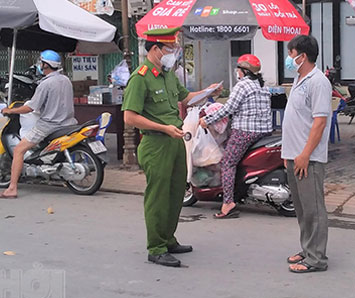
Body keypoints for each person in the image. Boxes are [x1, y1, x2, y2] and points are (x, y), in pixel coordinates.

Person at [122, 27, 222, 267]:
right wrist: (162, 127)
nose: (174, 53)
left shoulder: (168, 75)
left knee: (177, 192)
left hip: (176, 140)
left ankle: (168, 239)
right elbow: (129, 117)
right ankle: (156, 247)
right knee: (158, 196)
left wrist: (209, 92)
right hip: (156, 143)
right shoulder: (140, 77)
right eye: (170, 49)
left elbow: (186, 98)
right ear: (155, 50)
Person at [282, 35, 332, 273]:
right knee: (302, 208)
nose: (289, 59)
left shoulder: (318, 82)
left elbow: (319, 122)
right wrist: (288, 152)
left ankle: (316, 259)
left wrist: (304, 154)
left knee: (313, 208)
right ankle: (308, 248)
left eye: (291, 54)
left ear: (302, 56)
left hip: (308, 157)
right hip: (294, 154)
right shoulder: (299, 79)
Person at [199, 54, 272, 219]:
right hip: (263, 130)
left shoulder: (242, 85)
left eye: (238, 69)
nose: (236, 72)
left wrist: (207, 120)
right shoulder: (262, 85)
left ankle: (228, 203)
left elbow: (227, 109)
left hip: (245, 132)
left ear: (244, 71)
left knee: (228, 163)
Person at [0, 50, 76, 199]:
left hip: (49, 125)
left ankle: (12, 188)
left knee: (19, 150)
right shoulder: (66, 80)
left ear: (46, 65)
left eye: (41, 62)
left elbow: (30, 108)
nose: (40, 65)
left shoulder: (45, 84)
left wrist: (12, 110)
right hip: (69, 122)